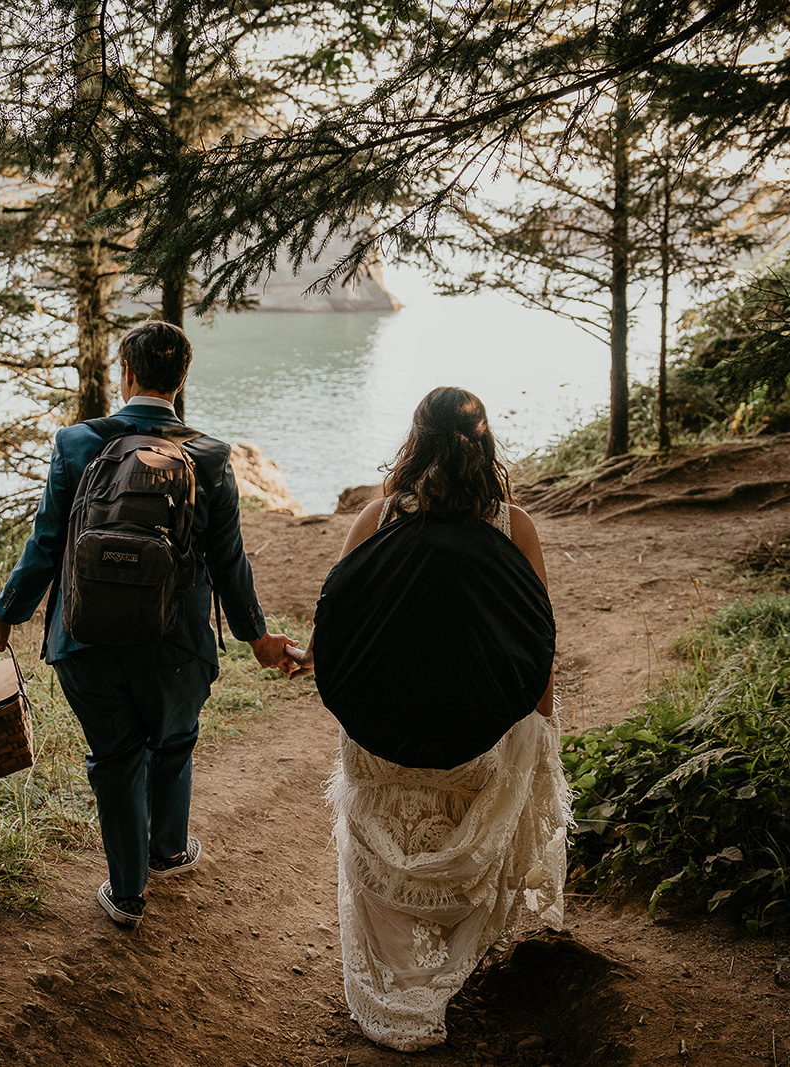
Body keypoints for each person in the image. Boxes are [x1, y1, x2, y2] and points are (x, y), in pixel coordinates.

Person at [0, 320, 302, 929]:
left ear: (126, 373)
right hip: (176, 646)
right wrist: (258, 638)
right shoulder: (210, 457)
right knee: (173, 741)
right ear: (181, 379)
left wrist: (3, 616)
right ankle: (169, 851)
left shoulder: (76, 445)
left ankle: (126, 893)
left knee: (115, 756)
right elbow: (229, 560)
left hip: (86, 640)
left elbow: (46, 545)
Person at [294, 386, 569, 1051]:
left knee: (390, 845)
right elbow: (537, 643)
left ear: (414, 441)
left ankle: (398, 988)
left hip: (385, 741)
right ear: (486, 444)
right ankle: (441, 973)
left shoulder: (376, 518)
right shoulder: (514, 526)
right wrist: (541, 728)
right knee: (483, 803)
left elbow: (339, 626)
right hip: (479, 744)